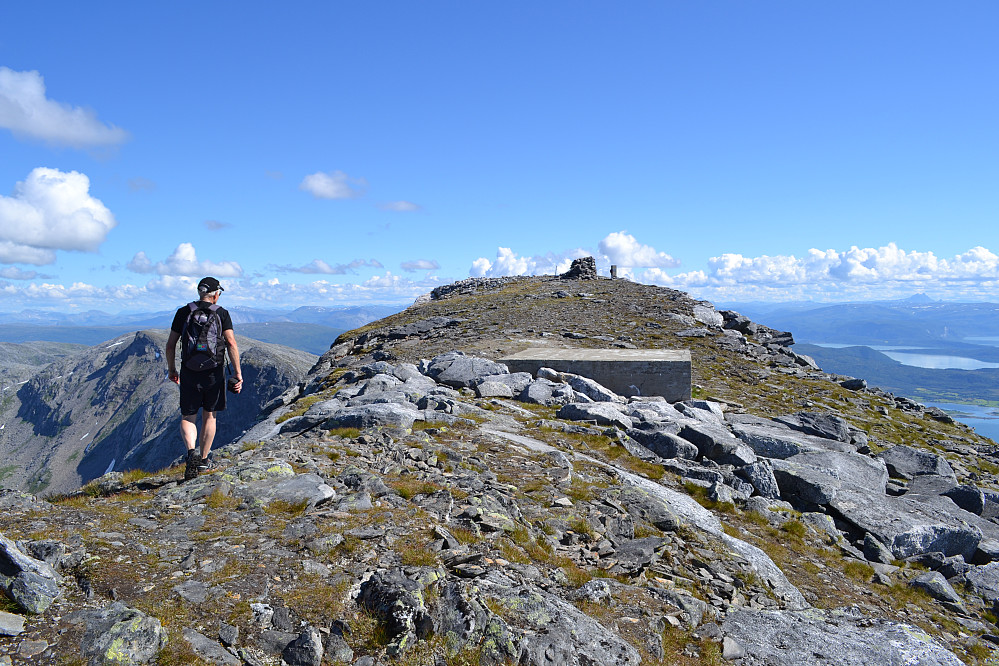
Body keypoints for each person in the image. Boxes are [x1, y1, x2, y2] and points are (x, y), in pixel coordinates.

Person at [165, 276, 243, 480]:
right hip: (214, 371)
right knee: (210, 415)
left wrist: (172, 369)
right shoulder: (222, 313)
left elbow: (171, 344)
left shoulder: (183, 312)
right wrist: (237, 374)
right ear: (216, 294)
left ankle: (191, 453)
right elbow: (231, 343)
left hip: (189, 370)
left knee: (188, 416)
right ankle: (203, 462)